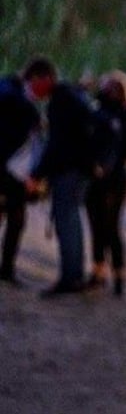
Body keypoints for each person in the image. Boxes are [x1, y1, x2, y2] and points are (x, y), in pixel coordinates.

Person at [26, 60, 97, 297]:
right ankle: (74, 274)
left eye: (33, 82)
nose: (32, 88)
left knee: (66, 221)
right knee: (72, 220)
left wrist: (36, 175)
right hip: (81, 169)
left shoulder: (61, 101)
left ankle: (70, 278)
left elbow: (57, 144)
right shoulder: (72, 96)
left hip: (69, 170)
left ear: (45, 78)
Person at [84, 71, 126, 297]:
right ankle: (99, 269)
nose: (109, 91)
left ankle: (119, 273)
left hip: (116, 176)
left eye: (114, 88)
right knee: (96, 224)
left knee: (111, 225)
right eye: (107, 86)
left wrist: (113, 161)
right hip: (96, 176)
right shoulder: (96, 111)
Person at [0, 59, 51, 286]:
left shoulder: (11, 89)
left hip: (12, 167)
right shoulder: (14, 96)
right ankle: (7, 269)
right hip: (8, 167)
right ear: (36, 78)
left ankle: (7, 268)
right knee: (16, 217)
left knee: (13, 217)